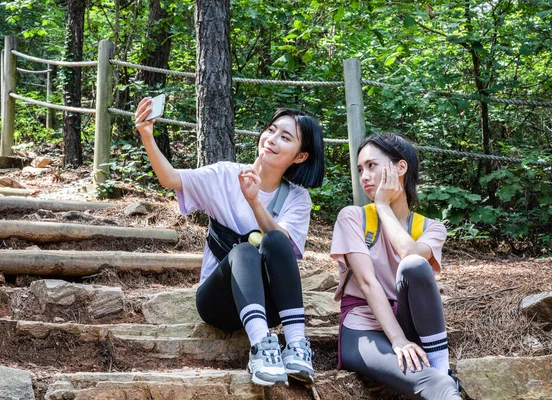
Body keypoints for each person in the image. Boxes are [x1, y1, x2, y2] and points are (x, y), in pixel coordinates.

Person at [134, 97, 325, 387]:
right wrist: (147, 135)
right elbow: (170, 178)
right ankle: (262, 347)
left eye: (285, 137)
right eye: (271, 130)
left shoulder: (297, 197)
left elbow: (283, 247)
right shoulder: (225, 175)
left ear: (300, 156)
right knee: (245, 251)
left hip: (268, 303)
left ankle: (297, 346)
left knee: (275, 241)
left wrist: (254, 202)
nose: (272, 139)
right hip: (218, 301)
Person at [330, 133, 461, 399]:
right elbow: (367, 283)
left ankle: (440, 366)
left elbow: (410, 254)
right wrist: (398, 340)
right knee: (439, 386)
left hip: (408, 321)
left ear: (400, 168)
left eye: (372, 165)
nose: (364, 175)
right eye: (360, 169)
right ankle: (442, 378)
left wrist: (382, 205)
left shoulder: (431, 228)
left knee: (414, 265)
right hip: (363, 330)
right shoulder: (353, 217)